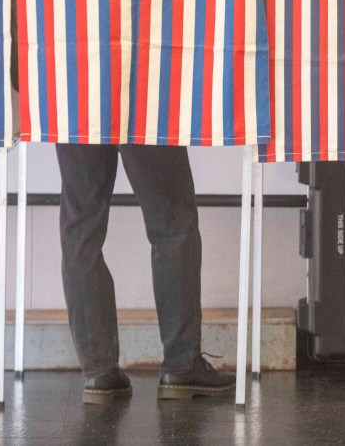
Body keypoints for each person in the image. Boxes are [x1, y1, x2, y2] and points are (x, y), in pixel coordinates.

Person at [56, 144, 235, 404]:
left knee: (81, 225)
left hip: (76, 116)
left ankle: (99, 373)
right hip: (143, 115)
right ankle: (182, 365)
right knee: (172, 223)